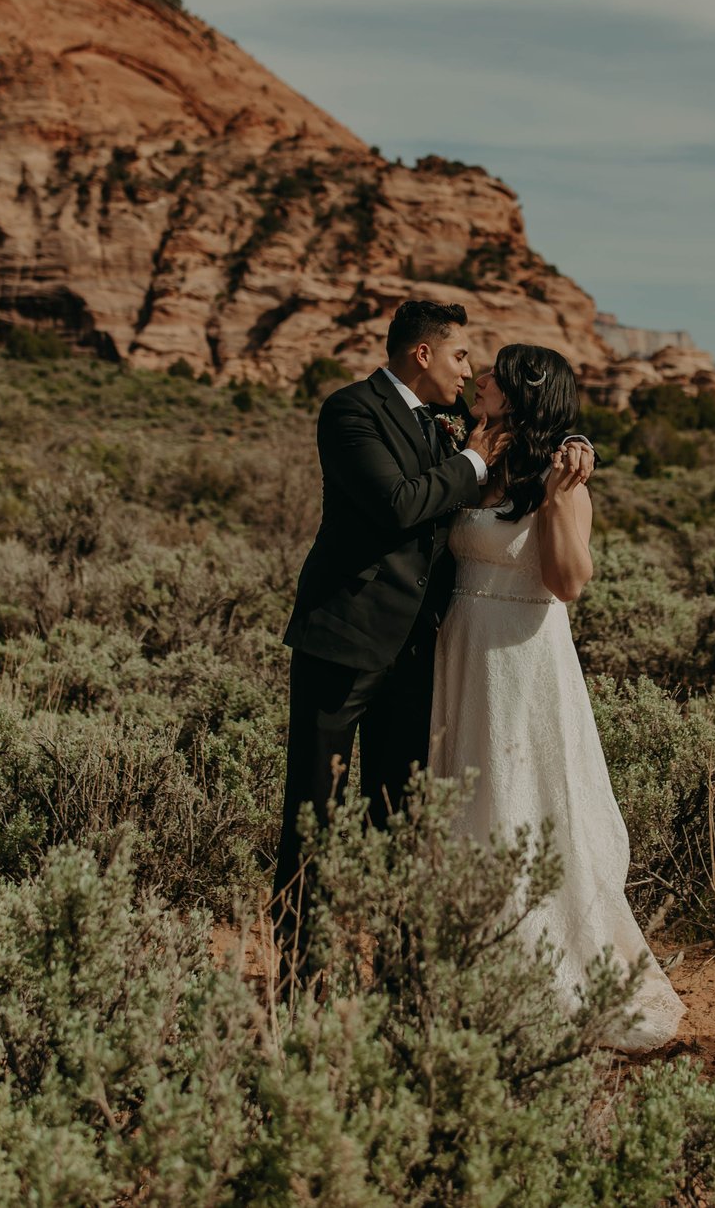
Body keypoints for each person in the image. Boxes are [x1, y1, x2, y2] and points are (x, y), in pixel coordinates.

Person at [272, 299, 593, 972]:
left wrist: (579, 445)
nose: (469, 370)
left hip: (424, 656)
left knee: (401, 820)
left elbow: (541, 436)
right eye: (460, 356)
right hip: (345, 639)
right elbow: (398, 504)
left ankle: (397, 967)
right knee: (314, 817)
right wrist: (472, 462)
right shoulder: (351, 410)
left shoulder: (456, 428)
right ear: (424, 354)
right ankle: (302, 971)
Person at [431, 341, 684, 1050]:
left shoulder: (561, 480)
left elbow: (570, 581)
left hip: (524, 659)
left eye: (494, 374)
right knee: (467, 800)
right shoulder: (473, 453)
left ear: (519, 392)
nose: (478, 377)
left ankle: (537, 970)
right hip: (462, 648)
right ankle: (462, 966)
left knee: (522, 799)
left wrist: (557, 497)